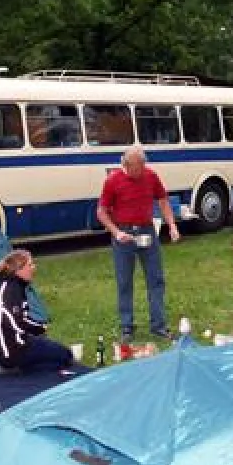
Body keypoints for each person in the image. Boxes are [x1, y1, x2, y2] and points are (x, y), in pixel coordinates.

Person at [97, 147, 181, 343]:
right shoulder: (112, 181)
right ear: (126, 166)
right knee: (124, 281)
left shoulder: (150, 176)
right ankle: (127, 327)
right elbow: (101, 212)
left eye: (144, 166)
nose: (142, 171)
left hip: (147, 230)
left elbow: (163, 201)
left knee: (156, 279)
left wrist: (172, 225)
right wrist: (116, 232)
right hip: (123, 232)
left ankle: (158, 326)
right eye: (137, 168)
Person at [0, 249, 73, 374]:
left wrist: (38, 329)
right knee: (65, 357)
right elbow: (18, 322)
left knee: (59, 352)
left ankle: (19, 367)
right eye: (30, 265)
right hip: (13, 353)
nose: (34, 268)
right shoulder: (10, 291)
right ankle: (17, 369)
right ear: (19, 270)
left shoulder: (12, 285)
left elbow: (19, 319)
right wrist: (40, 328)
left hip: (16, 344)